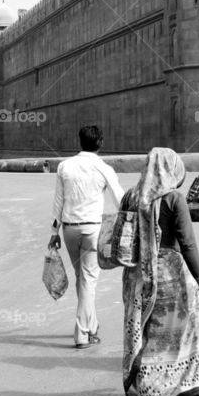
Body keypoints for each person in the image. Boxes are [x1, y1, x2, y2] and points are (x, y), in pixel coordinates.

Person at [123, 147, 199, 396]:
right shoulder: (173, 198)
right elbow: (188, 244)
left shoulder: (131, 196)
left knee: (150, 341)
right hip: (170, 279)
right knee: (195, 333)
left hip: (138, 280)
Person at [49, 125, 124, 349]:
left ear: (80, 141)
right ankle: (82, 334)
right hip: (92, 230)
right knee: (88, 281)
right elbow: (120, 200)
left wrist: (53, 233)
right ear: (100, 143)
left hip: (69, 229)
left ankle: (91, 324)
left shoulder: (65, 166)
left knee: (81, 278)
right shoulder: (104, 168)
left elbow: (58, 202)